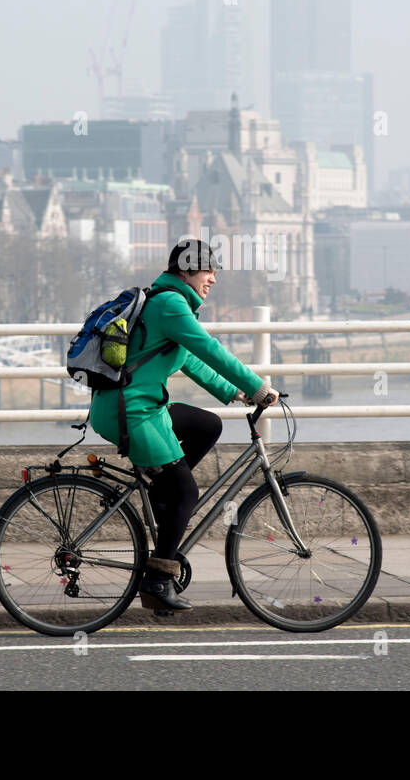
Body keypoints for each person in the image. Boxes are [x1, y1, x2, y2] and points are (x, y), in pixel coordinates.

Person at [87, 238, 279, 612]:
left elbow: (191, 360)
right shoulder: (171, 305)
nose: (213, 279)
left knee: (207, 426)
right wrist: (256, 387)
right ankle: (158, 580)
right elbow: (210, 349)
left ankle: (162, 493)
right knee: (186, 494)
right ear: (188, 270)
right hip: (133, 413)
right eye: (209, 271)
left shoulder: (168, 303)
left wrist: (234, 392)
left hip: (137, 405)